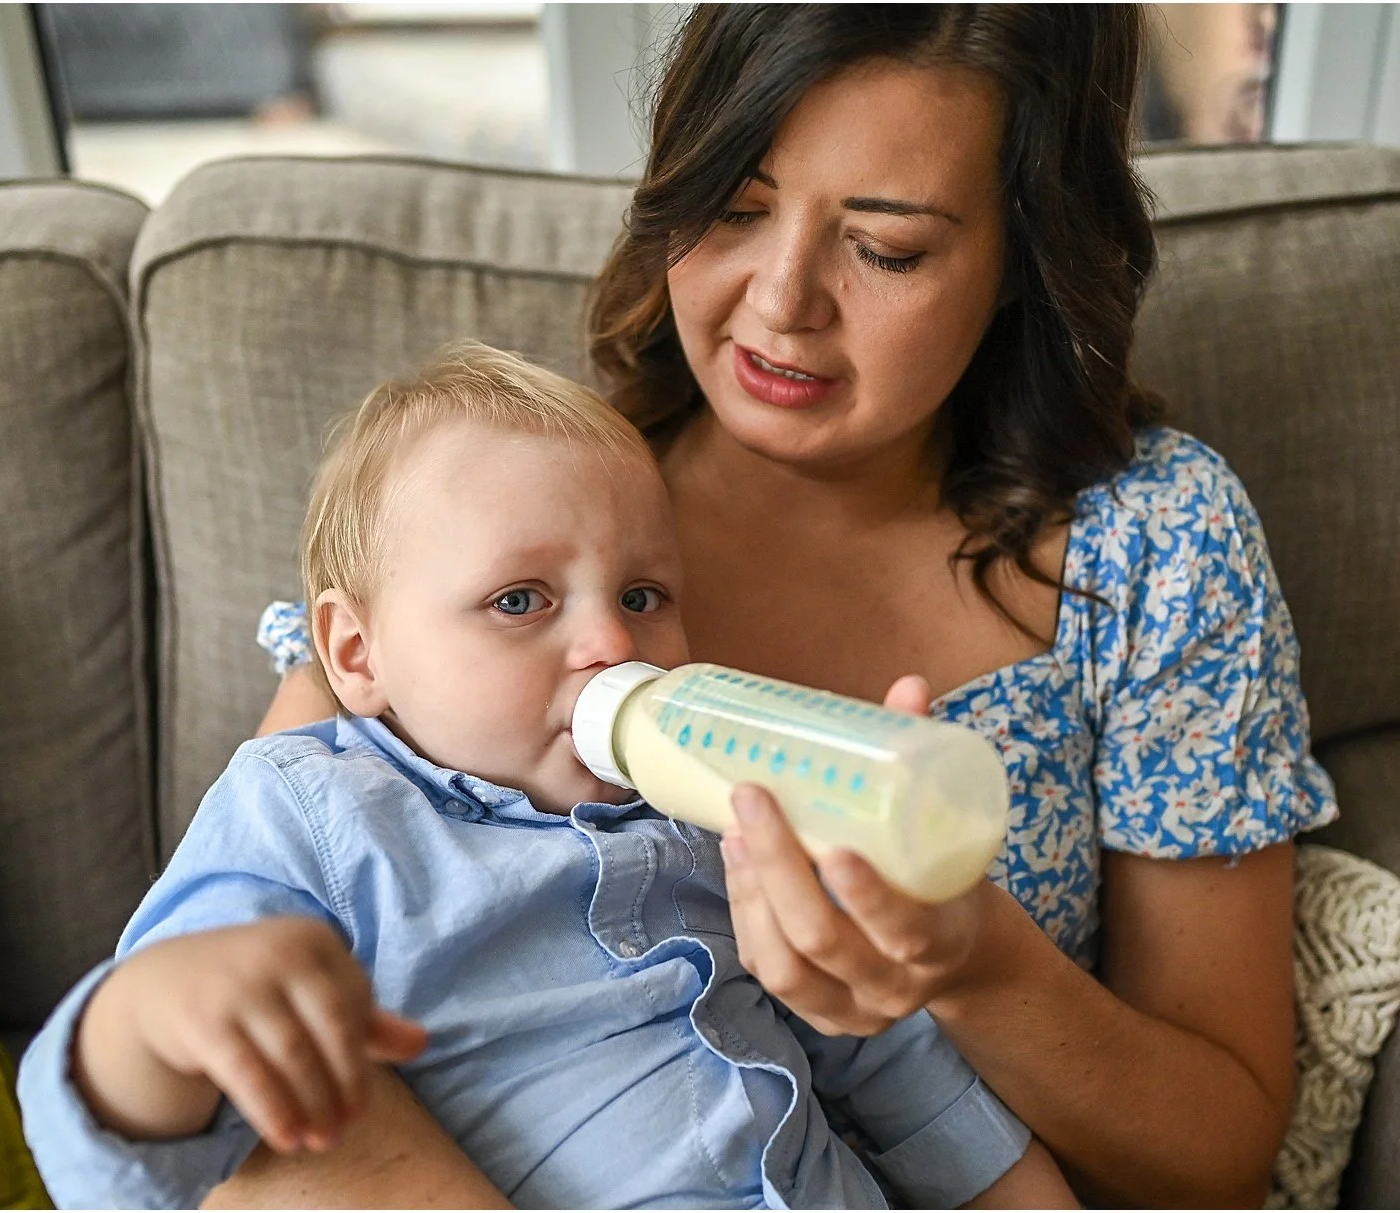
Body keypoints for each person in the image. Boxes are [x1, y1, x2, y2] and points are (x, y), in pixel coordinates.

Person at [227, 6, 1339, 1208]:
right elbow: (238, 1044)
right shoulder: (505, 511)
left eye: (887, 247)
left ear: (1024, 253)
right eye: (735, 208)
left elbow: (1216, 1155)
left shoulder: (1152, 545)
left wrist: (971, 967)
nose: (780, 301)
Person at [16, 343, 1076, 1210]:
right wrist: (151, 1016)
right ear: (355, 655)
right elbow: (124, 1156)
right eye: (520, 600)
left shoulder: (707, 814)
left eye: (645, 594)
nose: (610, 643)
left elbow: (895, 1073)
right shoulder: (314, 807)